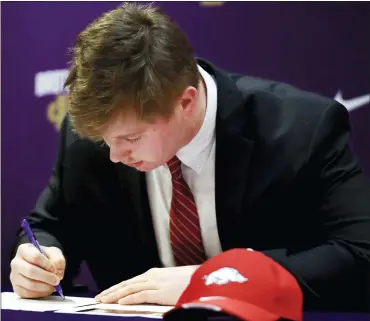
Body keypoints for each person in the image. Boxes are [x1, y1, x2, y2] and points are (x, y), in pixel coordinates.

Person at [9, 2, 370, 313]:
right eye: (105, 142)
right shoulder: (90, 138)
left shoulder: (300, 130)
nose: (115, 156)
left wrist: (213, 281)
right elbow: (48, 226)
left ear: (186, 101)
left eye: (131, 138)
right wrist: (38, 259)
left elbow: (360, 255)